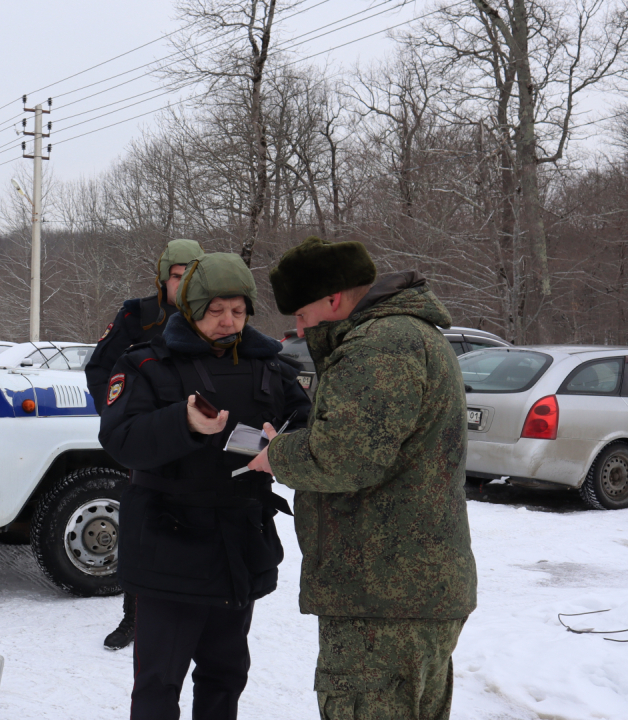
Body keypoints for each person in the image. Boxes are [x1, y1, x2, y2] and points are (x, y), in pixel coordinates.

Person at [249, 236, 477, 720]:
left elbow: (345, 457)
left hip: (386, 599)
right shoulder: (400, 337)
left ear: (333, 299)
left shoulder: (382, 345)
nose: (297, 325)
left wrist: (277, 456)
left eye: (301, 311)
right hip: (404, 591)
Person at [99, 253, 310, 720]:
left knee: (225, 676)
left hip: (238, 542)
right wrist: (183, 422)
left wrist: (286, 446)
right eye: (215, 311)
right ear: (191, 309)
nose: (228, 322)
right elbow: (119, 439)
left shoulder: (270, 367)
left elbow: (309, 426)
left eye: (237, 311)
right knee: (158, 684)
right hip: (167, 544)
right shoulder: (147, 364)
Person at [86, 238, 204, 651]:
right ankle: (134, 616)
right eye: (177, 276)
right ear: (162, 278)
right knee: (141, 528)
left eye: (193, 274)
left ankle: (194, 608)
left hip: (200, 437)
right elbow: (101, 368)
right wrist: (121, 418)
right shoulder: (140, 315)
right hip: (150, 438)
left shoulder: (214, 314)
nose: (185, 283)